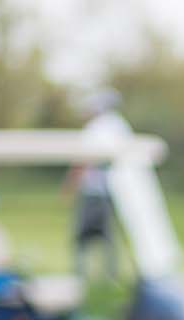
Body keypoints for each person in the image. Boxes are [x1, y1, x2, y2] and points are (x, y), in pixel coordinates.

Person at [68, 90, 131, 282]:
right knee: (108, 235)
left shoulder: (96, 128)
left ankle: (80, 274)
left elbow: (83, 159)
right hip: (115, 190)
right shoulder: (120, 126)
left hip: (94, 190)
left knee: (81, 235)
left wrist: (70, 184)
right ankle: (111, 274)